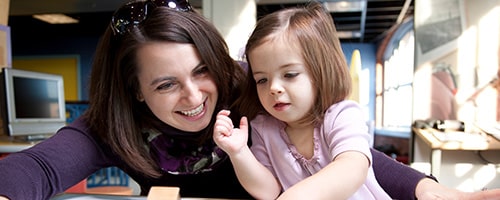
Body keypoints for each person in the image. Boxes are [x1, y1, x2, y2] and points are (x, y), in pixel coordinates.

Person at [0, 0, 499, 200]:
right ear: (134, 89)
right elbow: (39, 168)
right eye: (165, 84)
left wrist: (426, 189)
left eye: (201, 71)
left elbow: (343, 150)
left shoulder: (254, 87)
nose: (195, 97)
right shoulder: (111, 124)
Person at [212, 2, 388, 199]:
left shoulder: (342, 115)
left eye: (289, 74)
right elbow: (268, 191)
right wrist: (239, 152)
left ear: (320, 72)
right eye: (262, 79)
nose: (273, 88)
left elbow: (352, 167)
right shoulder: (264, 128)